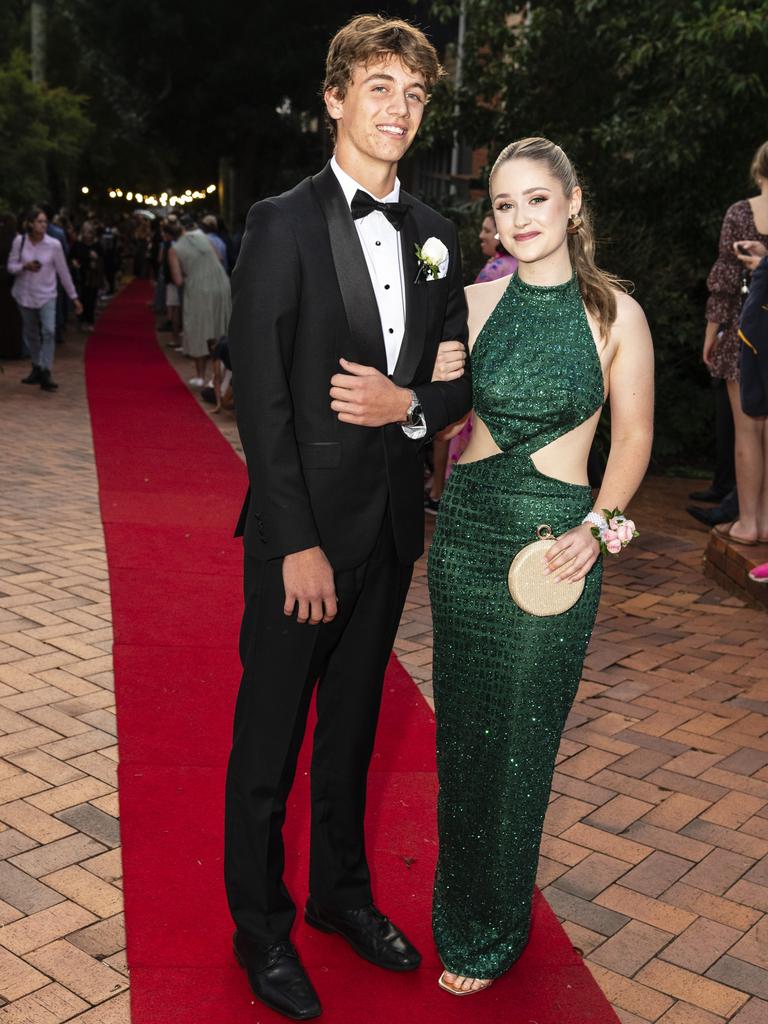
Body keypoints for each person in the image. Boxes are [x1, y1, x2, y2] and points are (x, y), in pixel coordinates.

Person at [224, 15, 471, 1021]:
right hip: (305, 540)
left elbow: (457, 386)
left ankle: (340, 896)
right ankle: (261, 928)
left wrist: (407, 405)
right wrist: (297, 543)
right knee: (269, 744)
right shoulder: (282, 222)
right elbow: (262, 397)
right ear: (334, 97)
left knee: (355, 733)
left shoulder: (440, 238)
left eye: (414, 94)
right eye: (378, 87)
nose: (398, 110)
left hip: (392, 535)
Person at [427, 136, 654, 995]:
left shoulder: (615, 317)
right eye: (504, 205)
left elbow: (632, 441)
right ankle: (460, 913)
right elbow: (437, 413)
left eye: (536, 200)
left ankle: (493, 931)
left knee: (521, 744)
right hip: (468, 542)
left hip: (556, 552)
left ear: (572, 204)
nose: (519, 219)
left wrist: (601, 531)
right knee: (464, 740)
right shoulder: (476, 310)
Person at [703, 141, 768, 545]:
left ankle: (748, 522)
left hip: (744, 334)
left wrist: (711, 334)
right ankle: (766, 519)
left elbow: (725, 282)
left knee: (746, 433)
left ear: (757, 168)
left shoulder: (740, 213)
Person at [6, 206, 82, 392]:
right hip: (25, 294)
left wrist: (74, 297)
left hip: (47, 293)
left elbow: (63, 273)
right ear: (30, 223)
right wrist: (25, 266)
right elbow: (11, 266)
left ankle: (46, 370)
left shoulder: (54, 245)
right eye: (39, 222)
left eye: (45, 222)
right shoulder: (20, 241)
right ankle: (36, 366)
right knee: (31, 332)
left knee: (48, 330)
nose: (43, 225)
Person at [168, 214, 231, 386]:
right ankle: (220, 376)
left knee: (198, 329)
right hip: (220, 283)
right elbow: (219, 258)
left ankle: (201, 375)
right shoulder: (203, 237)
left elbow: (178, 280)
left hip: (197, 288)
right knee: (220, 326)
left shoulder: (174, 249)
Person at [70, 221, 104, 331]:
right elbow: (71, 256)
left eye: (89, 232)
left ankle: (89, 320)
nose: (87, 235)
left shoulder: (97, 245)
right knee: (81, 297)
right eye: (85, 232)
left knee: (91, 298)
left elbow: (103, 261)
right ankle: (81, 319)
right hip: (80, 275)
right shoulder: (78, 244)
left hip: (92, 276)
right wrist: (74, 262)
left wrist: (96, 258)